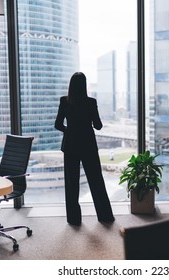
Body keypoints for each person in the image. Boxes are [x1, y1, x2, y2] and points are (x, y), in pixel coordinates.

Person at [55, 72, 115, 226]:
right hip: (88, 145)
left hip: (70, 146)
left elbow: (58, 125)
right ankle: (105, 216)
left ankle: (74, 219)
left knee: (71, 184)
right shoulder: (90, 102)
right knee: (96, 181)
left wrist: (70, 131)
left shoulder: (64, 101)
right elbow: (98, 126)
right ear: (84, 85)